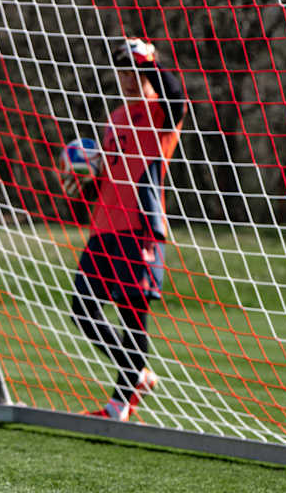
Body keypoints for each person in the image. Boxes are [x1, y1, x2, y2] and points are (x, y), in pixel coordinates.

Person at [61, 37, 186, 421]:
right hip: (103, 228)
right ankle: (138, 374)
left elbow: (176, 95)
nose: (129, 78)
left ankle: (119, 403)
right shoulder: (114, 118)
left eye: (135, 71)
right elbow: (110, 170)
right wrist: (85, 173)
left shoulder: (162, 112)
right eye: (124, 71)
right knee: (83, 308)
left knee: (132, 317)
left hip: (139, 230)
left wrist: (145, 60)